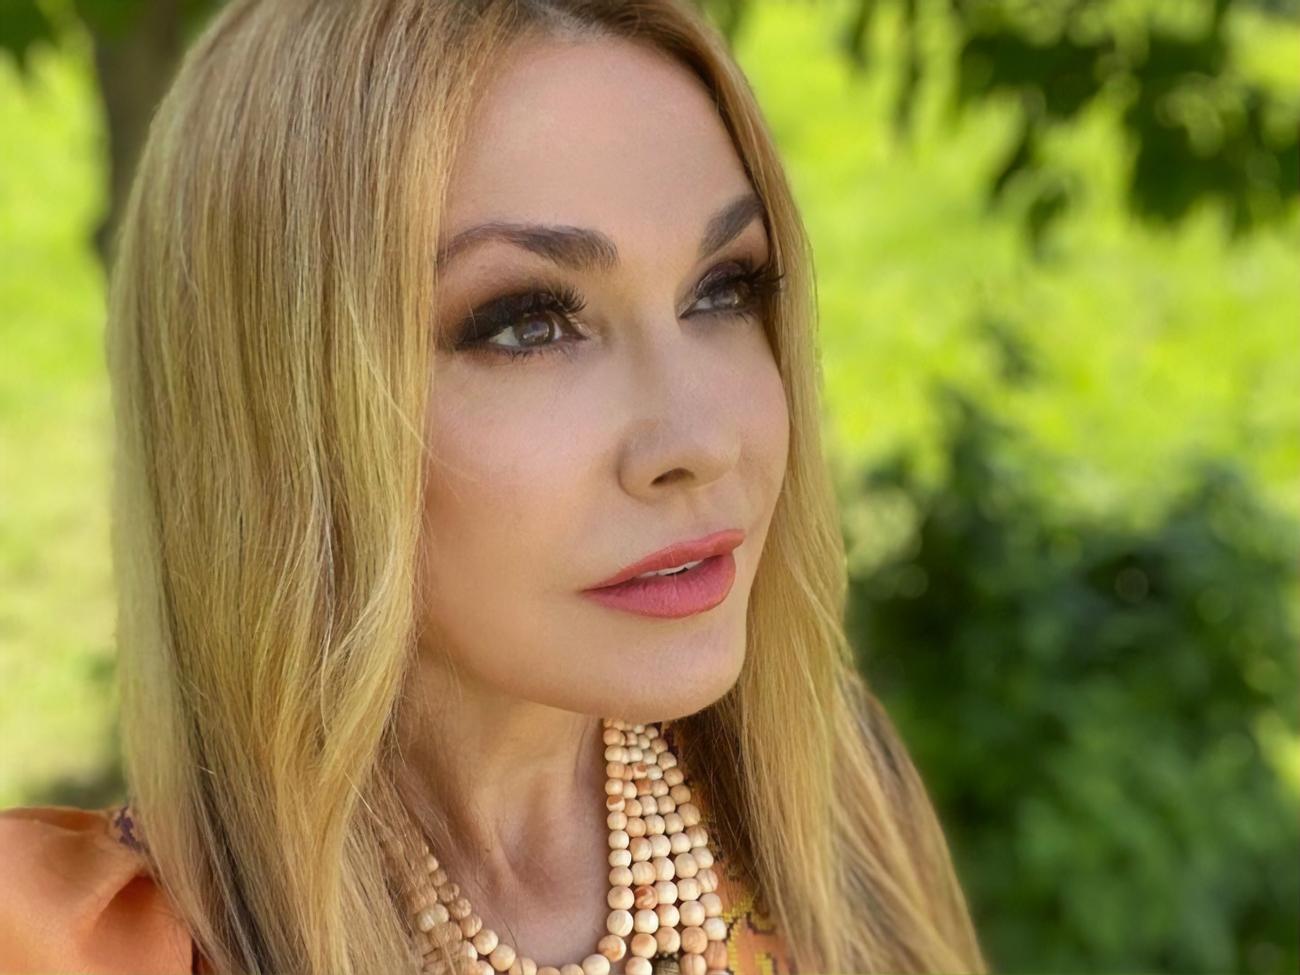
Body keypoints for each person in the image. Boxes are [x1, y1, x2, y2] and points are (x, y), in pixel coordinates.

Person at [0, 1, 989, 973]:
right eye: (526, 324)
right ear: (277, 400)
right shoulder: (55, 945)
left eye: (722, 290)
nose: (697, 442)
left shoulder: (828, 818)